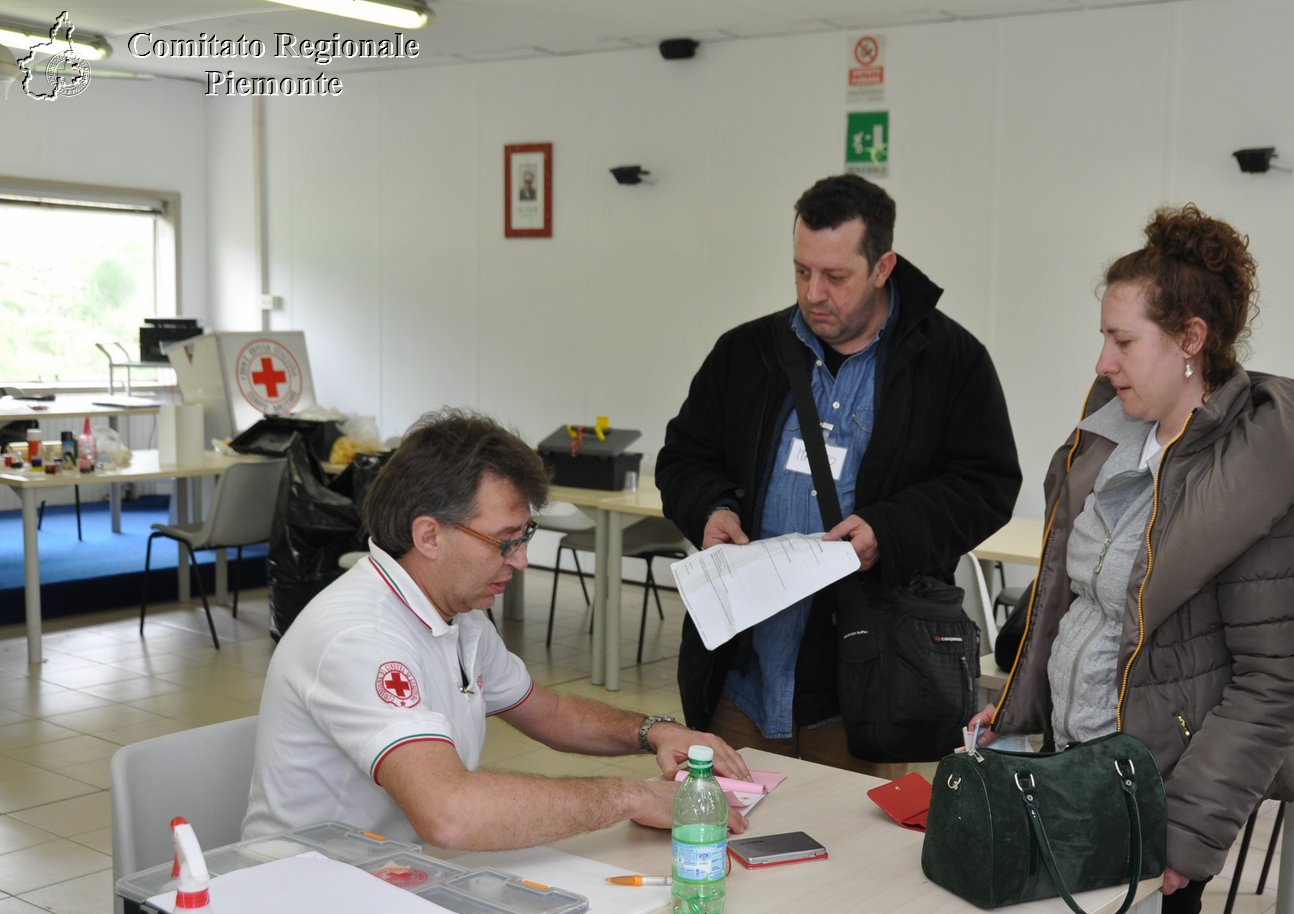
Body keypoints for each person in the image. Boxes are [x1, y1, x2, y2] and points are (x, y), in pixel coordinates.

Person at [977, 204, 1294, 914]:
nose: (1103, 361)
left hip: (1155, 787)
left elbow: (1276, 679)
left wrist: (1187, 828)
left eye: (1123, 341)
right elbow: (1067, 598)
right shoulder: (1110, 444)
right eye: (1104, 337)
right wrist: (1020, 711)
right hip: (1071, 761)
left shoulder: (1258, 481)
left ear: (1191, 340)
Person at [243, 408, 750, 850]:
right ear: (429, 536)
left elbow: (547, 712)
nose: (523, 559)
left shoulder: (457, 613)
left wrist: (653, 732)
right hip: (317, 902)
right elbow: (450, 814)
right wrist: (634, 796)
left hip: (402, 876)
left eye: (524, 535)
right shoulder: (361, 638)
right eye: (505, 539)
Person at [656, 174, 1021, 776]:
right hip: (742, 681)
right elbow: (684, 457)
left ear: (883, 267)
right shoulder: (746, 353)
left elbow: (986, 485)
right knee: (725, 847)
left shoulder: (950, 362)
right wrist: (711, 509)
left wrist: (890, 529)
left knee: (854, 863)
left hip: (868, 688)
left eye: (835, 277)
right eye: (801, 271)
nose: (813, 293)